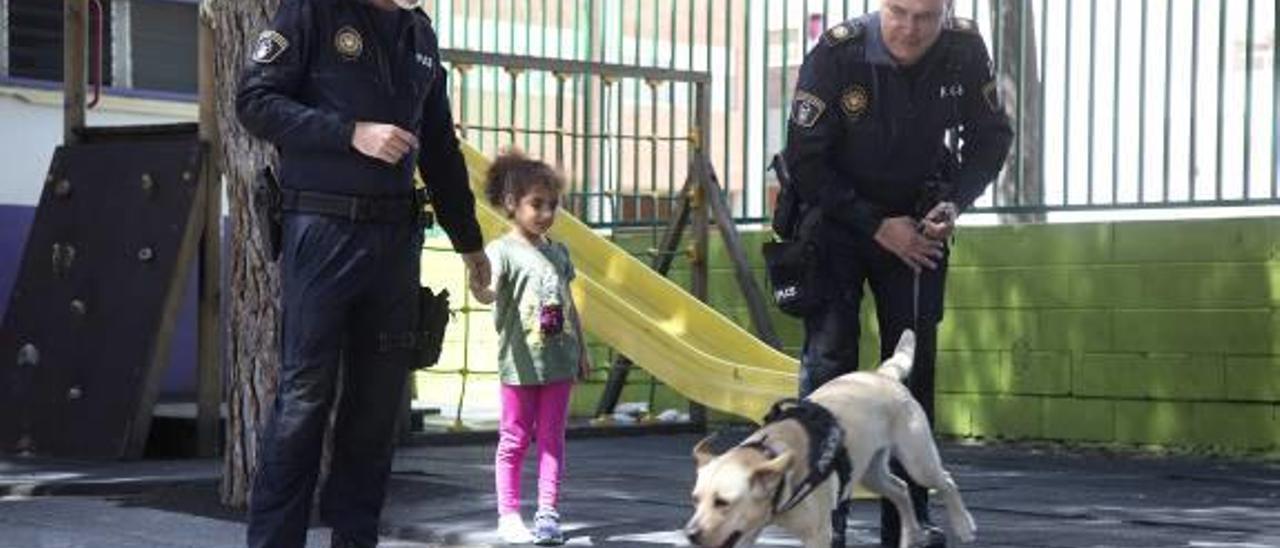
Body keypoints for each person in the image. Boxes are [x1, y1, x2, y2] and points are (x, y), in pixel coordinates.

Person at [234, 0, 491, 546]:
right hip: (322, 233)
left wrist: (470, 244)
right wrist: (350, 132)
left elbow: (440, 150)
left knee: (376, 411)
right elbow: (254, 102)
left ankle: (355, 538)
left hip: (396, 243)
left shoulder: (419, 34)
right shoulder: (312, 12)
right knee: (304, 400)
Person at [781, 0, 1013, 546]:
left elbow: (991, 137)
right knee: (829, 370)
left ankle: (910, 526)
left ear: (946, 12)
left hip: (916, 229)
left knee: (912, 374)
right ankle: (824, 523)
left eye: (926, 16)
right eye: (899, 12)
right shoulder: (837, 53)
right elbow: (805, 158)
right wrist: (874, 224)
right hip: (837, 222)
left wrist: (954, 202)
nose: (910, 28)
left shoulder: (962, 49)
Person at [469, 151, 591, 546]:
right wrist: (478, 286)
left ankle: (548, 513)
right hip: (519, 366)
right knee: (515, 438)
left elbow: (569, 304)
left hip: (559, 361)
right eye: (536, 204)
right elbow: (489, 292)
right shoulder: (502, 251)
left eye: (552, 206)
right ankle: (508, 514)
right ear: (511, 203)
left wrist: (583, 351)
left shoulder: (558, 252)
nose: (545, 213)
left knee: (553, 438)